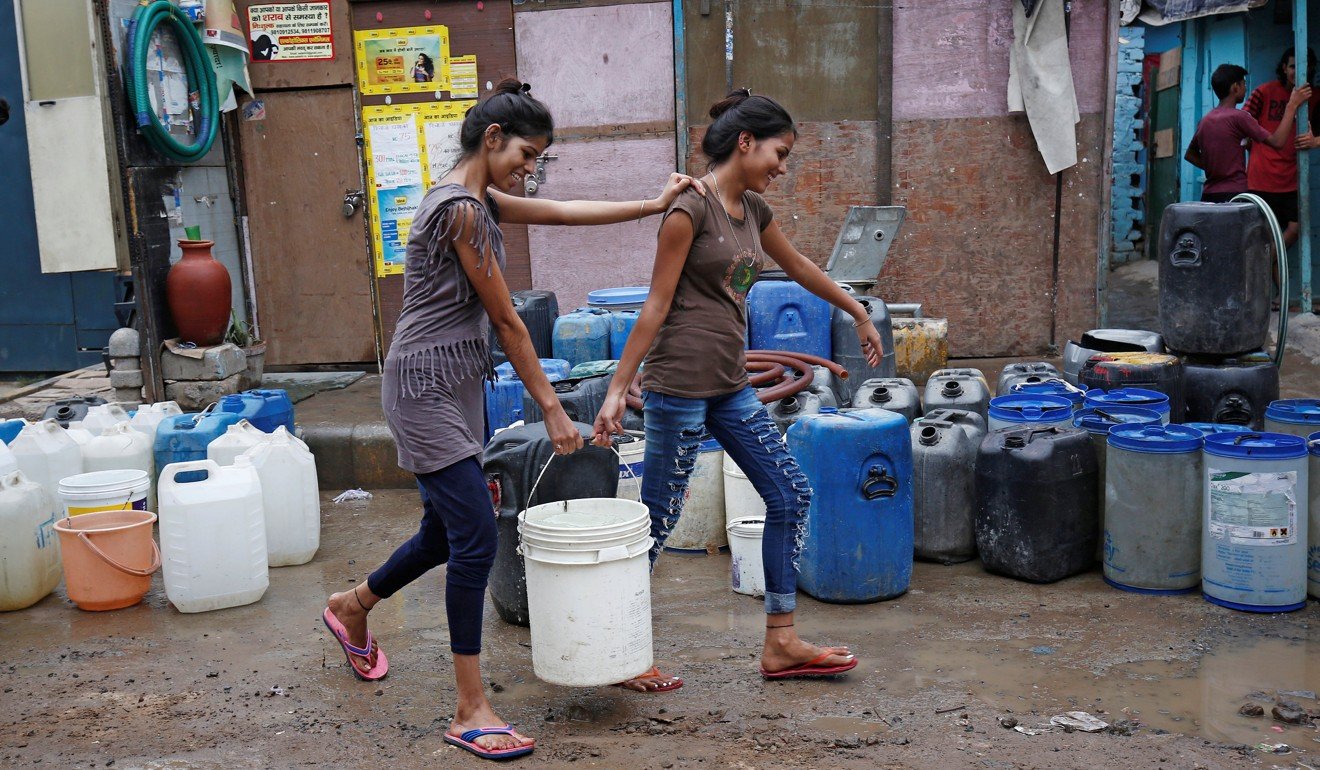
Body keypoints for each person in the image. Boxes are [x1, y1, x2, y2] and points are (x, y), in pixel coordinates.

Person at [321, 78, 705, 762]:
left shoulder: (479, 197)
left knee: (446, 533)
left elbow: (559, 211)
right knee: (474, 540)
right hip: (425, 388)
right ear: (492, 139)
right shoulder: (462, 211)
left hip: (453, 383)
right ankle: (470, 707)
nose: (532, 167)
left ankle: (354, 605)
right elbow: (506, 319)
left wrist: (653, 204)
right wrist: (553, 410)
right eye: (527, 152)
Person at [592, 89, 882, 685]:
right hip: (678, 385)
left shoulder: (754, 212)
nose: (783, 166)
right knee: (657, 520)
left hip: (729, 384)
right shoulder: (689, 211)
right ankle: (613, 650)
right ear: (745, 143)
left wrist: (858, 311)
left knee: (789, 494)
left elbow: (800, 267)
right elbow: (655, 303)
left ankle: (781, 641)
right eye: (780, 152)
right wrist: (619, 388)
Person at [1184, 63, 1309, 202]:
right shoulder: (1240, 117)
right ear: (1235, 87)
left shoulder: (1205, 120)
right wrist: (1292, 105)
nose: (1246, 87)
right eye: (1244, 83)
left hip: (1208, 196)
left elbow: (1190, 154)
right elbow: (1278, 142)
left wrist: (1215, 170)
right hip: (1234, 196)